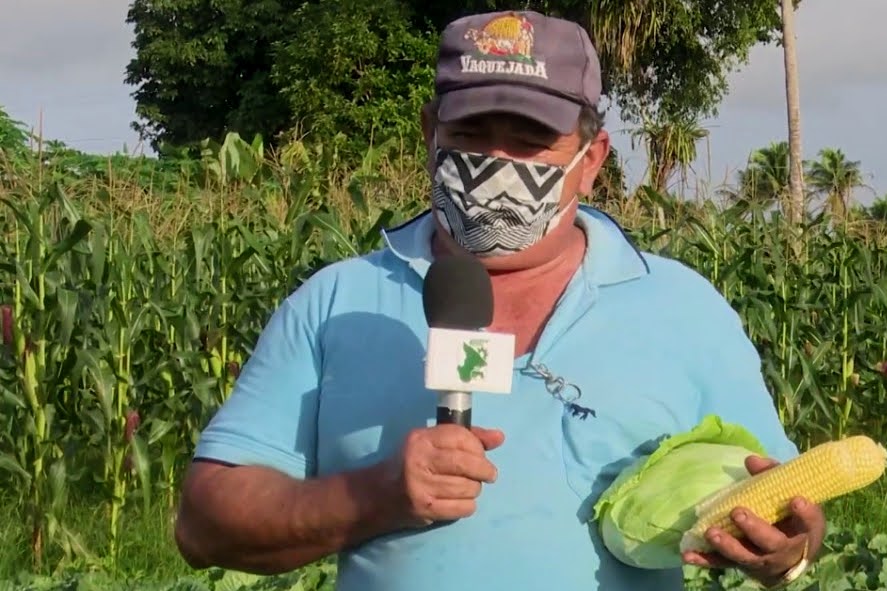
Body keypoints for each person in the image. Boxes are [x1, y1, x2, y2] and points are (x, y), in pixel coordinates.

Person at [173, 9, 827, 591]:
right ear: (430, 131)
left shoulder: (682, 307)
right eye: (472, 131)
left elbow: (778, 495)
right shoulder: (336, 301)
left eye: (528, 139)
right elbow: (204, 525)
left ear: (591, 156)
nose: (495, 159)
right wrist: (375, 495)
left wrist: (785, 553)